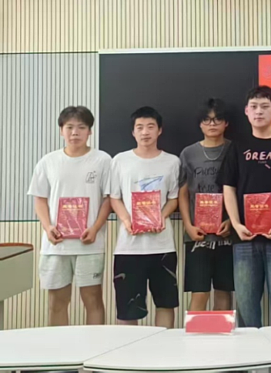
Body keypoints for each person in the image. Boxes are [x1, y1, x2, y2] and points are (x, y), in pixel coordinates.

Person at [221, 85, 271, 327]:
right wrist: (236, 224)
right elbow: (228, 186)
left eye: (265, 106)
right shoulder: (236, 146)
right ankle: (250, 350)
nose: (259, 111)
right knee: (246, 304)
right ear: (246, 111)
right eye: (254, 107)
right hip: (244, 237)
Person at [28, 106, 112, 326]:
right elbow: (39, 199)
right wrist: (48, 227)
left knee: (93, 299)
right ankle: (58, 346)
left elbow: (108, 199)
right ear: (61, 130)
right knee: (57, 301)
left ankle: (94, 345)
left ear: (90, 131)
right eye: (70, 127)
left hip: (90, 243)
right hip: (56, 244)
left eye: (81, 127)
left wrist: (95, 228)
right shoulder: (48, 161)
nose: (75, 132)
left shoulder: (103, 160)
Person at [110, 106, 180, 327]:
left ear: (160, 130)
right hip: (128, 247)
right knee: (127, 309)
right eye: (139, 127)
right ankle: (130, 350)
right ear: (133, 132)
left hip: (162, 246)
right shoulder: (120, 160)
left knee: (166, 303)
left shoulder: (172, 162)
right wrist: (126, 220)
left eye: (150, 126)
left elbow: (174, 199)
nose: (145, 132)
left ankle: (164, 347)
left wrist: (161, 217)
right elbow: (114, 198)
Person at [178, 98, 234, 312]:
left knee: (224, 291)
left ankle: (223, 331)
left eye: (217, 119)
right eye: (207, 120)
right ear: (200, 124)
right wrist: (188, 225)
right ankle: (195, 332)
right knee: (199, 292)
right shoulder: (188, 153)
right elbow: (183, 193)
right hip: (197, 235)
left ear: (226, 123)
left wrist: (232, 222)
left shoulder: (234, 150)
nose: (212, 124)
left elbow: (242, 190)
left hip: (227, 234)